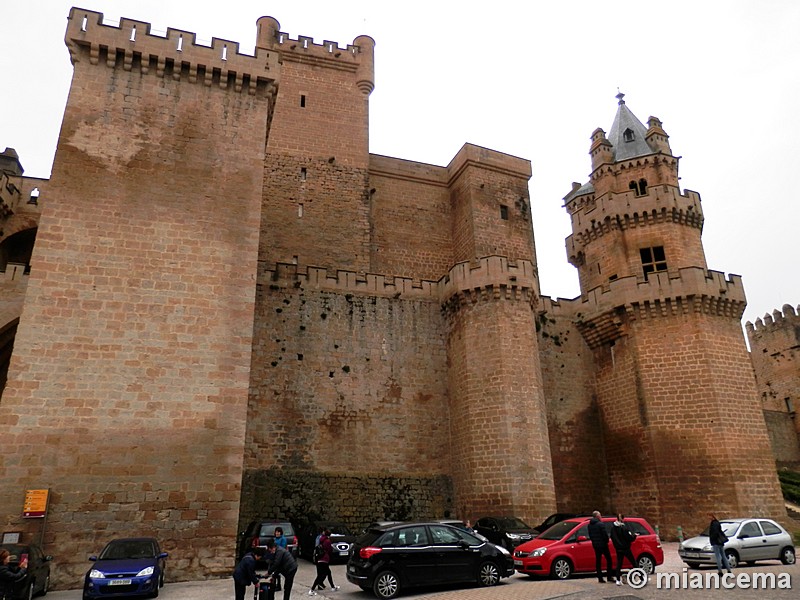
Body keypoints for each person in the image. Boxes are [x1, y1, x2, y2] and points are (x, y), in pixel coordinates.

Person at [609, 514, 636, 585]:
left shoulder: (613, 528)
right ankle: (642, 577)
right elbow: (629, 538)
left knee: (619, 564)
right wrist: (634, 536)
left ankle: (618, 579)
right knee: (634, 563)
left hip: (618, 548)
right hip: (626, 548)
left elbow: (613, 538)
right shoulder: (624, 528)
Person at [310, 527, 337, 595]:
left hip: (319, 558)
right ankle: (312, 589)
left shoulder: (320, 539)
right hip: (325, 559)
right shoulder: (328, 541)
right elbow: (330, 550)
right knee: (324, 574)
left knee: (325, 573)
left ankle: (332, 586)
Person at [587, 510, 612, 583]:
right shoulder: (600, 524)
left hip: (595, 545)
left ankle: (600, 577)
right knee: (609, 559)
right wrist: (606, 541)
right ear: (597, 516)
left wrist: (594, 541)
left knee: (598, 561)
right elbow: (604, 535)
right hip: (603, 544)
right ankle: (609, 576)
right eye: (600, 515)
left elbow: (590, 535)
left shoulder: (589, 525)